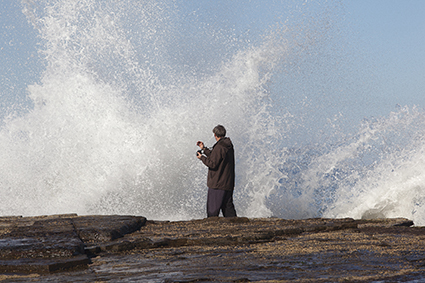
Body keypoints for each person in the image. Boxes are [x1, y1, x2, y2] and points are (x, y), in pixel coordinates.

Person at [196, 125, 237, 217]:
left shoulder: (219, 147)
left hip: (218, 184)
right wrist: (204, 149)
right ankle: (236, 227)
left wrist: (201, 157)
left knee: (212, 211)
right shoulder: (227, 145)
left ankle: (211, 230)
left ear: (215, 135)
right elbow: (215, 156)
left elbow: (212, 164)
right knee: (228, 209)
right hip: (227, 182)